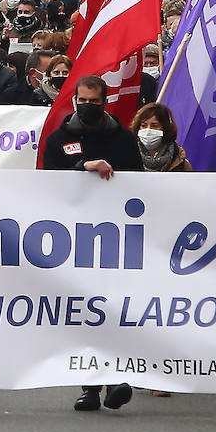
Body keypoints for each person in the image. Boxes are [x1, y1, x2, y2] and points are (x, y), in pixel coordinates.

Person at [39, 75, 137, 411]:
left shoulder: (124, 138)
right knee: (83, 313)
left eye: (95, 102)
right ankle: (91, 386)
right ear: (75, 100)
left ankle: (114, 379)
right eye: (83, 100)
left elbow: (137, 182)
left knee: (114, 310)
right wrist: (82, 167)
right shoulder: (58, 139)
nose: (88, 106)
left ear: (105, 102)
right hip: (74, 238)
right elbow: (48, 179)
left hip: (116, 236)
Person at [131, 102, 192, 173]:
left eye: (154, 126)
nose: (148, 130)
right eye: (143, 125)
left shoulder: (181, 164)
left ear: (165, 128)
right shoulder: (127, 156)